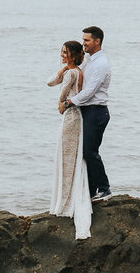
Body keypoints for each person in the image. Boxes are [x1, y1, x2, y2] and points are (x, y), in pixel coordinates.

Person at [47, 40, 91, 239]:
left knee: (66, 159)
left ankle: (65, 202)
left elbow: (62, 92)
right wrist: (64, 68)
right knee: (71, 158)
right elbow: (50, 81)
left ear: (73, 54)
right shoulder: (74, 71)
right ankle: (67, 199)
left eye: (65, 53)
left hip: (71, 116)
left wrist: (61, 103)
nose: (62, 55)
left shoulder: (72, 74)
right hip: (75, 115)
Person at [66, 25, 111, 202]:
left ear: (97, 41)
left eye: (86, 40)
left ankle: (104, 189)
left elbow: (90, 91)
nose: (83, 43)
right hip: (86, 111)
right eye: (83, 39)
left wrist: (69, 102)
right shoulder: (89, 60)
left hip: (97, 111)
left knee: (89, 151)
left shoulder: (101, 63)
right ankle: (91, 191)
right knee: (84, 151)